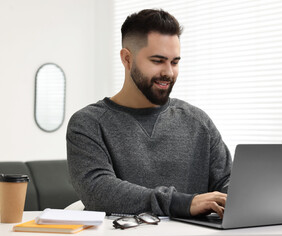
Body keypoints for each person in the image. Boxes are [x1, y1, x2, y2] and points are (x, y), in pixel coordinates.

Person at [66, 9, 232, 218]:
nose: (169, 73)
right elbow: (97, 191)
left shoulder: (199, 122)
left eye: (174, 62)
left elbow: (228, 182)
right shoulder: (88, 123)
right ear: (127, 59)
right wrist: (182, 203)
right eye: (157, 61)